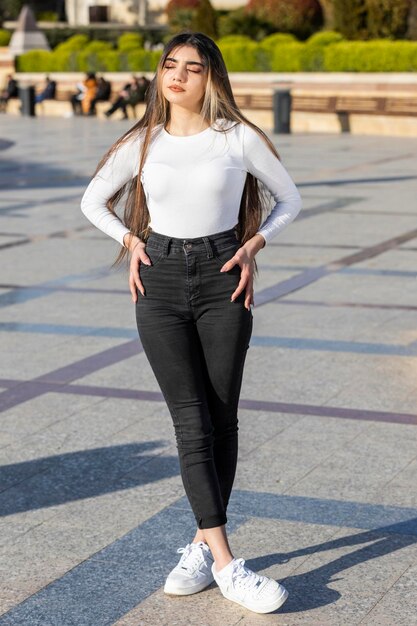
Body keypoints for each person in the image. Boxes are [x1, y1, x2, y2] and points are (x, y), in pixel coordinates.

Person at [81, 31, 301, 615]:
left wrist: (253, 245)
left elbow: (291, 201)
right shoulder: (143, 142)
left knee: (222, 415)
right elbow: (91, 202)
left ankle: (202, 545)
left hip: (222, 275)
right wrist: (129, 239)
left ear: (212, 78)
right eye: (169, 65)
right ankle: (227, 562)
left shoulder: (238, 139)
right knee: (190, 419)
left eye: (192, 68)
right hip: (159, 280)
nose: (177, 76)